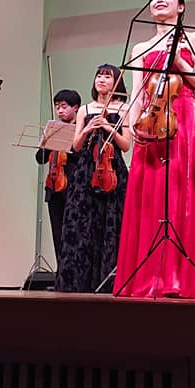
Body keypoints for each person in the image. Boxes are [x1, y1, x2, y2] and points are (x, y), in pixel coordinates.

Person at [115, 0, 195, 300]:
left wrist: (179, 60)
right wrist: (134, 126)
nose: (159, 0)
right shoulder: (140, 47)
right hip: (151, 121)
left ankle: (183, 278)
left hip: (185, 121)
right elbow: (137, 92)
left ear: (181, 7)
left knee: (184, 193)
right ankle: (152, 276)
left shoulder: (194, 39)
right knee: (152, 197)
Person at [56, 67, 129, 293]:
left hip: (112, 170)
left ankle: (107, 281)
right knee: (82, 225)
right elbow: (76, 145)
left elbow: (126, 145)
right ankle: (78, 282)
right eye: (99, 75)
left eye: (107, 76)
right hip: (86, 171)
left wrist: (108, 128)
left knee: (110, 224)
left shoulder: (124, 108)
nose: (101, 79)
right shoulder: (85, 109)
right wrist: (87, 129)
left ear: (116, 82)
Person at [35, 89, 81, 260]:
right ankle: (60, 269)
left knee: (74, 233)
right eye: (57, 107)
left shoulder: (80, 130)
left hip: (73, 187)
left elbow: (81, 157)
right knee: (57, 232)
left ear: (75, 108)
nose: (60, 110)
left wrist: (67, 145)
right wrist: (47, 143)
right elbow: (40, 159)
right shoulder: (53, 130)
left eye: (64, 106)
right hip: (54, 187)